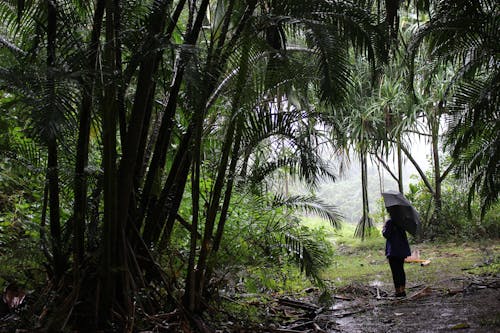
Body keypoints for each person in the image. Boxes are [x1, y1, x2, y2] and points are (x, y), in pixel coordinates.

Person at [382, 207, 411, 297]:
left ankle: (398, 291)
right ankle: (403, 290)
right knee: (401, 270)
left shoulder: (390, 222)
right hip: (401, 250)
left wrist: (383, 228)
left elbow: (386, 234)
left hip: (393, 251)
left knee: (395, 272)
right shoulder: (402, 221)